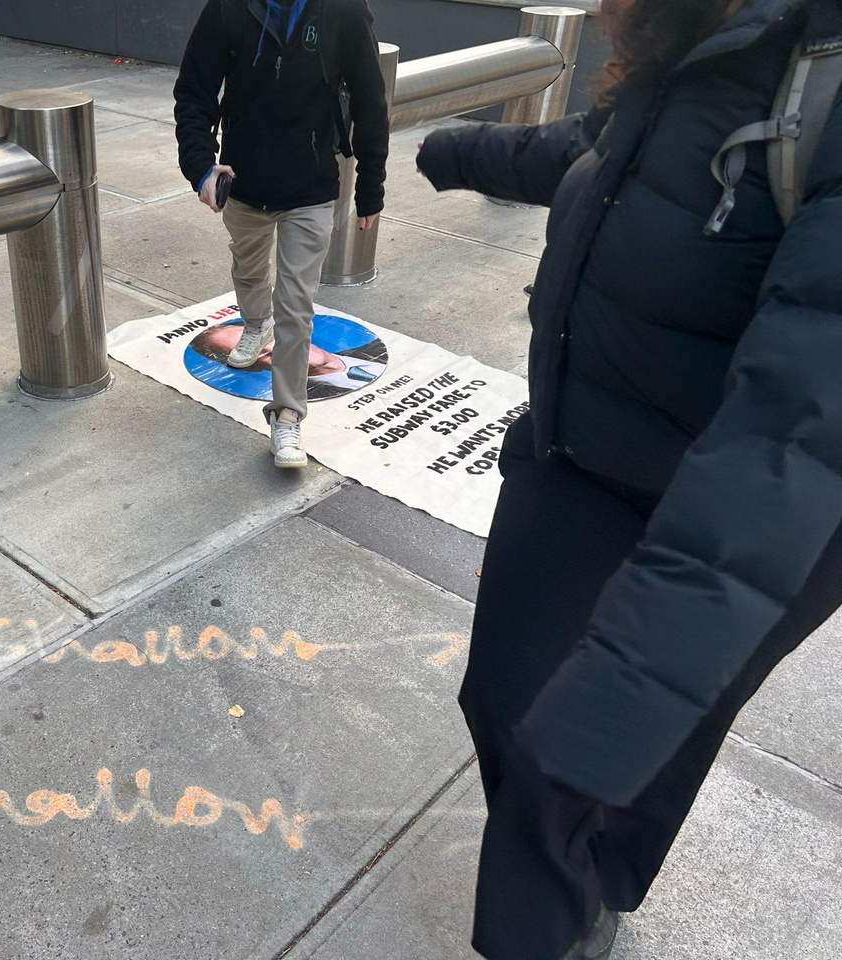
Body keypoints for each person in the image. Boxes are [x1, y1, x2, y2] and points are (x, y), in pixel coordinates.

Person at [414, 0, 842, 956]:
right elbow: (608, 152)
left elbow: (795, 429)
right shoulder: (694, 36)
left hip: (745, 497)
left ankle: (577, 905)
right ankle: (576, 866)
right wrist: (459, 151)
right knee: (509, 701)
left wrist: (621, 698)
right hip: (585, 448)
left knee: (617, 735)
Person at [174, 0, 389, 467]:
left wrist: (370, 186)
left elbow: (371, 100)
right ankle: (254, 322)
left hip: (310, 186)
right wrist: (201, 168)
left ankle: (288, 414)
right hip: (244, 181)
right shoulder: (228, 9)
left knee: (296, 305)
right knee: (249, 270)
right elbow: (194, 95)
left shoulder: (344, 11)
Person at [190, 321, 387, 400]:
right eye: (258, 352)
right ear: (250, 368)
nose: (278, 348)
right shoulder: (307, 401)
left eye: (272, 337)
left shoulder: (374, 349)